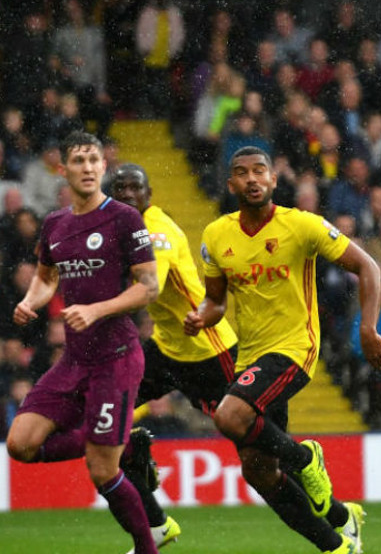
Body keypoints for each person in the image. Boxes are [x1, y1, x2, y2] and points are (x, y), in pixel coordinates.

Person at [183, 146, 381, 554]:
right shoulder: (215, 235)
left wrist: (366, 327)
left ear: (274, 179)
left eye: (260, 171)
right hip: (251, 357)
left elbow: (368, 266)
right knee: (259, 471)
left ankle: (305, 459)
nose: (252, 179)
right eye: (242, 173)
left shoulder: (302, 225)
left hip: (296, 347)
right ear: (231, 184)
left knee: (229, 416)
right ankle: (337, 535)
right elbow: (217, 301)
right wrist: (202, 316)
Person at [4, 131, 161, 554]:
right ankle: (118, 441)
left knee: (101, 470)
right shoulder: (55, 223)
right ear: (64, 169)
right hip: (74, 359)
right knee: (20, 445)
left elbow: (149, 287)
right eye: (79, 161)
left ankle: (148, 548)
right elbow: (46, 275)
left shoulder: (125, 218)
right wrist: (30, 300)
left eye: (94, 160)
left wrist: (96, 309)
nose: (88, 168)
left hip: (117, 357)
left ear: (103, 167)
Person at [110, 163, 242, 552]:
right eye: (120, 189)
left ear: (149, 194)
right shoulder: (121, 229)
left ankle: (334, 513)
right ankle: (155, 526)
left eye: (136, 187)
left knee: (257, 444)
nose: (129, 194)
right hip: (167, 349)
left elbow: (149, 287)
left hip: (208, 349)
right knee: (107, 419)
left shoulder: (156, 230)